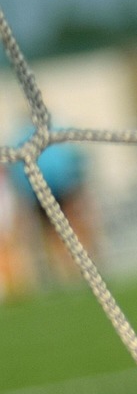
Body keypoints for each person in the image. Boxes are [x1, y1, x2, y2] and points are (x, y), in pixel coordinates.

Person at [7, 123, 97, 287]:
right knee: (53, 232)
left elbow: (71, 156)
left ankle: (83, 264)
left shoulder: (50, 132)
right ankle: (64, 270)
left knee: (71, 226)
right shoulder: (23, 137)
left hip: (58, 187)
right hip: (40, 191)